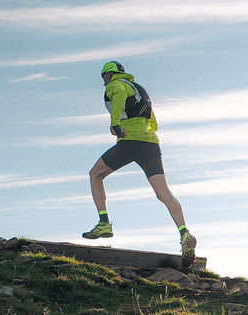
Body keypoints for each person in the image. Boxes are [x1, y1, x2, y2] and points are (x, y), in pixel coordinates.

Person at [82, 61, 198, 268]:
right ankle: (184, 233)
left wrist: (116, 125)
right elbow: (151, 118)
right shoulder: (139, 89)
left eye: (104, 77)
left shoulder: (115, 85)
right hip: (151, 143)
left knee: (95, 175)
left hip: (130, 141)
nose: (103, 82)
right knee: (163, 193)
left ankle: (103, 223)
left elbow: (117, 99)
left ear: (110, 75)